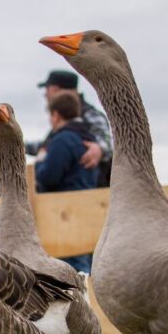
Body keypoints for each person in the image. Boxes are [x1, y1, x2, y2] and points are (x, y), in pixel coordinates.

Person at [35, 92, 98, 273]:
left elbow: (49, 177)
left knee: (72, 266)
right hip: (86, 208)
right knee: (83, 258)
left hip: (64, 213)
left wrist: (40, 163)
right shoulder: (87, 139)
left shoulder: (63, 140)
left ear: (55, 115)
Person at [30, 69, 112, 187]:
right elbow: (48, 146)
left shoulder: (90, 116)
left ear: (56, 90)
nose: (45, 95)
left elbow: (107, 141)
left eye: (47, 90)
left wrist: (100, 149)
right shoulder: (69, 124)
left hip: (93, 191)